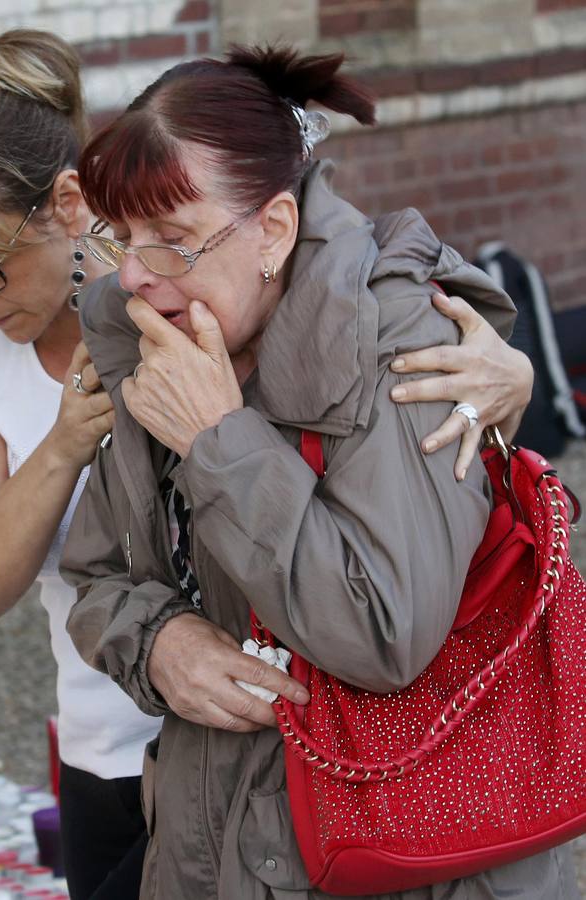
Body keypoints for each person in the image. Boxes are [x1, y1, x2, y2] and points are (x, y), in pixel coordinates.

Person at [0, 32, 535, 899]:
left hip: (364, 803)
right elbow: (46, 581)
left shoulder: (323, 317)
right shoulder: (128, 327)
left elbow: (383, 626)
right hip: (160, 769)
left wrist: (511, 373)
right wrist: (155, 633)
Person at [61, 46, 569, 897]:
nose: (140, 277)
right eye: (124, 239)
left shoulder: (402, 347)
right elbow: (100, 573)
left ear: (275, 229)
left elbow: (383, 633)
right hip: (209, 842)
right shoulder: (160, 339)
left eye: (175, 241)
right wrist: (160, 646)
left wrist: (220, 439)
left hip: (406, 854)